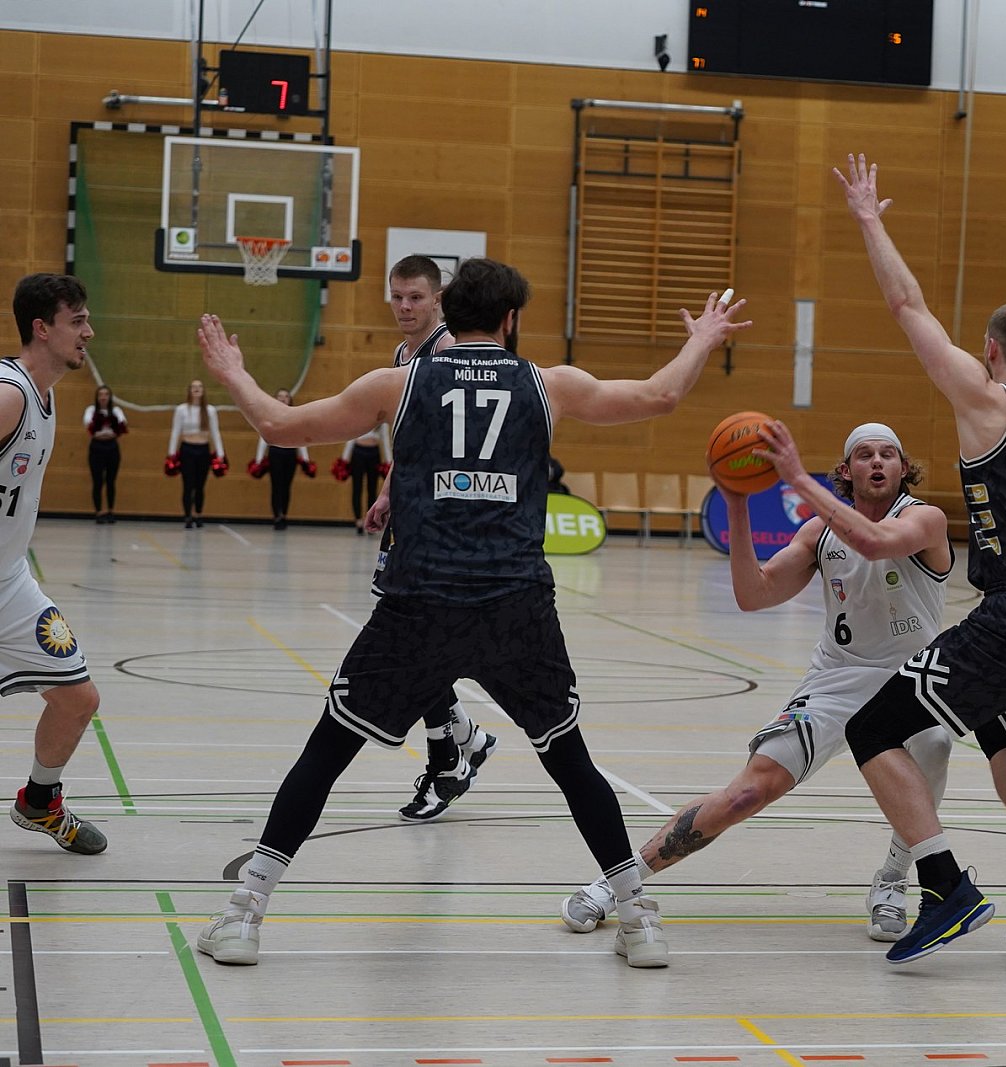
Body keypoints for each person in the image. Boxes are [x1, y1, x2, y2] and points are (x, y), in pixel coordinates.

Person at [191, 257, 750, 970]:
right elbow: (659, 395)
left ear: (445, 313)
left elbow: (279, 425)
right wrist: (701, 339)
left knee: (326, 753)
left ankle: (243, 917)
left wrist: (233, 372)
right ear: (511, 319)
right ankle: (639, 919)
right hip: (515, 604)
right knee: (569, 759)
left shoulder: (398, 383)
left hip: (421, 600)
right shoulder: (548, 383)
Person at [834, 154, 1006, 965]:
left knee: (873, 728)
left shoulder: (987, 400)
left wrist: (870, 220)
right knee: (996, 725)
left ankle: (945, 885)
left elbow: (907, 304)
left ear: (989, 349)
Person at [559, 420, 955, 943]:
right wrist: (737, 504)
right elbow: (754, 593)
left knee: (935, 747)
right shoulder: (819, 535)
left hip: (909, 682)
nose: (877, 461)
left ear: (904, 469)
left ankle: (893, 878)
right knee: (748, 792)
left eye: (888, 454)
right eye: (865, 454)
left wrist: (795, 477)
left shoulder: (925, 519)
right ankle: (619, 882)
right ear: (846, 470)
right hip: (838, 680)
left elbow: (879, 544)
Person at [362, 255, 496, 822]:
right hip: (412, 514)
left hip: (445, 526)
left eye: (415, 297)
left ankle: (452, 757)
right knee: (415, 641)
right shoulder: (404, 355)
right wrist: (389, 493)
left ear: (438, 299)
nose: (403, 306)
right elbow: (411, 445)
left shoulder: (448, 355)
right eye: (396, 296)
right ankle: (464, 742)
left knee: (416, 643)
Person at [5, 274, 106, 855]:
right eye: (78, 321)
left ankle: (39, 802)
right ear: (42, 328)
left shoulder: (45, 395)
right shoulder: (10, 395)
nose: (88, 332)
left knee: (77, 697)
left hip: (10, 581)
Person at [248, 390, 315, 530]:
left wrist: (306, 459)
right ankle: (276, 516)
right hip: (275, 452)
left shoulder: (297, 415)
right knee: (276, 485)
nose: (283, 399)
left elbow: (301, 437)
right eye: (280, 396)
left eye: (286, 396)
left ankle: (284, 514)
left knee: (286, 485)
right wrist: (259, 460)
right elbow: (263, 437)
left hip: (290, 453)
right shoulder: (269, 416)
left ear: (290, 399)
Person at [166, 378, 225, 529]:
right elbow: (175, 431)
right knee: (188, 484)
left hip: (203, 450)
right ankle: (187, 516)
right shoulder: (181, 409)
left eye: (199, 386)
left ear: (203, 391)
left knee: (200, 485)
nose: (196, 389)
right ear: (189, 391)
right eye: (193, 387)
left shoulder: (210, 410)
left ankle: (198, 514)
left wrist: (220, 453)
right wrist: (171, 453)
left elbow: (215, 432)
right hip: (187, 450)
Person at [84, 383, 127, 523]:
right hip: (97, 448)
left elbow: (122, 424)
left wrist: (106, 433)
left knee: (111, 480)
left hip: (112, 447)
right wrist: (105, 433)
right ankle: (98, 512)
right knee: (97, 480)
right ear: (97, 397)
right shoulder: (91, 410)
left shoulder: (116, 411)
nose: (103, 397)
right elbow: (88, 425)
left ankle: (110, 511)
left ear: (110, 397)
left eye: (106, 394)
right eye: (101, 395)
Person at [336, 425, 389, 534]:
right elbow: (351, 437)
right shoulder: (360, 417)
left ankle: (371, 520)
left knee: (372, 489)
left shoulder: (382, 421)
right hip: (358, 452)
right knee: (357, 488)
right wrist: (344, 459)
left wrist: (389, 461)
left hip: (374, 453)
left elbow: (385, 440)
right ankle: (358, 520)